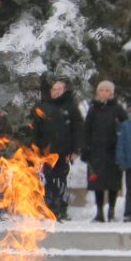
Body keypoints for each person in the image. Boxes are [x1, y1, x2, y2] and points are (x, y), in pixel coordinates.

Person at [30, 78, 83, 221]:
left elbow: (78, 130)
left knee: (61, 179)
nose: (56, 92)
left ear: (65, 90)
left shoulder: (71, 108)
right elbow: (37, 130)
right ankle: (50, 206)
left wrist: (75, 150)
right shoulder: (44, 107)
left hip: (64, 152)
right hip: (47, 152)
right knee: (48, 178)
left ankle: (62, 207)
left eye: (59, 89)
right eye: (54, 89)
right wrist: (36, 148)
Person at [82, 80, 124, 223]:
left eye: (107, 91)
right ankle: (99, 212)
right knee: (97, 184)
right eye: (102, 90)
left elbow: (125, 127)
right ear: (97, 93)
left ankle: (111, 211)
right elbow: (86, 130)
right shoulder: (93, 109)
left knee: (113, 183)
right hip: (96, 153)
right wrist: (85, 149)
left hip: (113, 152)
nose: (104, 93)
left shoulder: (117, 109)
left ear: (112, 93)